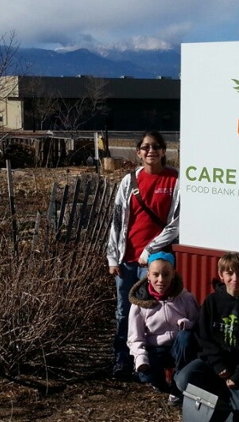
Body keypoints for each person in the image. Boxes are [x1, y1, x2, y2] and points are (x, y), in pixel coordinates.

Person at [106, 130, 180, 377]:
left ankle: (147, 365)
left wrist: (150, 249)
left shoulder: (175, 181)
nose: (151, 151)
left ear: (163, 151)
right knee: (124, 312)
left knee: (151, 312)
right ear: (138, 152)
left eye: (156, 146)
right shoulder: (129, 181)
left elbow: (177, 223)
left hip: (155, 262)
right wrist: (112, 257)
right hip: (127, 259)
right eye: (146, 147)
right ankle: (122, 361)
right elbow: (118, 219)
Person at [174, 251, 239, 421]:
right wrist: (218, 365)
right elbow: (203, 338)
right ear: (221, 275)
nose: (235, 278)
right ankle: (218, 404)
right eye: (229, 273)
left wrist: (238, 375)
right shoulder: (212, 301)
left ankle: (227, 405)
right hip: (214, 364)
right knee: (183, 380)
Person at [127, 251, 200, 403]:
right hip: (156, 349)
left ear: (173, 274)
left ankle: (178, 386)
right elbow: (135, 337)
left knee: (185, 337)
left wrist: (187, 324)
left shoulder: (185, 297)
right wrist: (141, 358)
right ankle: (160, 383)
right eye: (156, 275)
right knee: (146, 375)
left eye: (166, 275)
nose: (161, 280)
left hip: (180, 348)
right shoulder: (139, 304)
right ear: (148, 275)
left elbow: (198, 324)